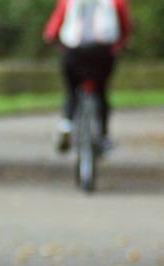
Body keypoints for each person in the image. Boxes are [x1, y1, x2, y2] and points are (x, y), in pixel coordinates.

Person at [44, 0, 132, 153]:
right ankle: (103, 135)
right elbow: (125, 28)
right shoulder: (116, 2)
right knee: (101, 91)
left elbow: (51, 32)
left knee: (72, 91)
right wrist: (123, 44)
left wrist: (55, 41)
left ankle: (67, 124)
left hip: (74, 52)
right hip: (102, 53)